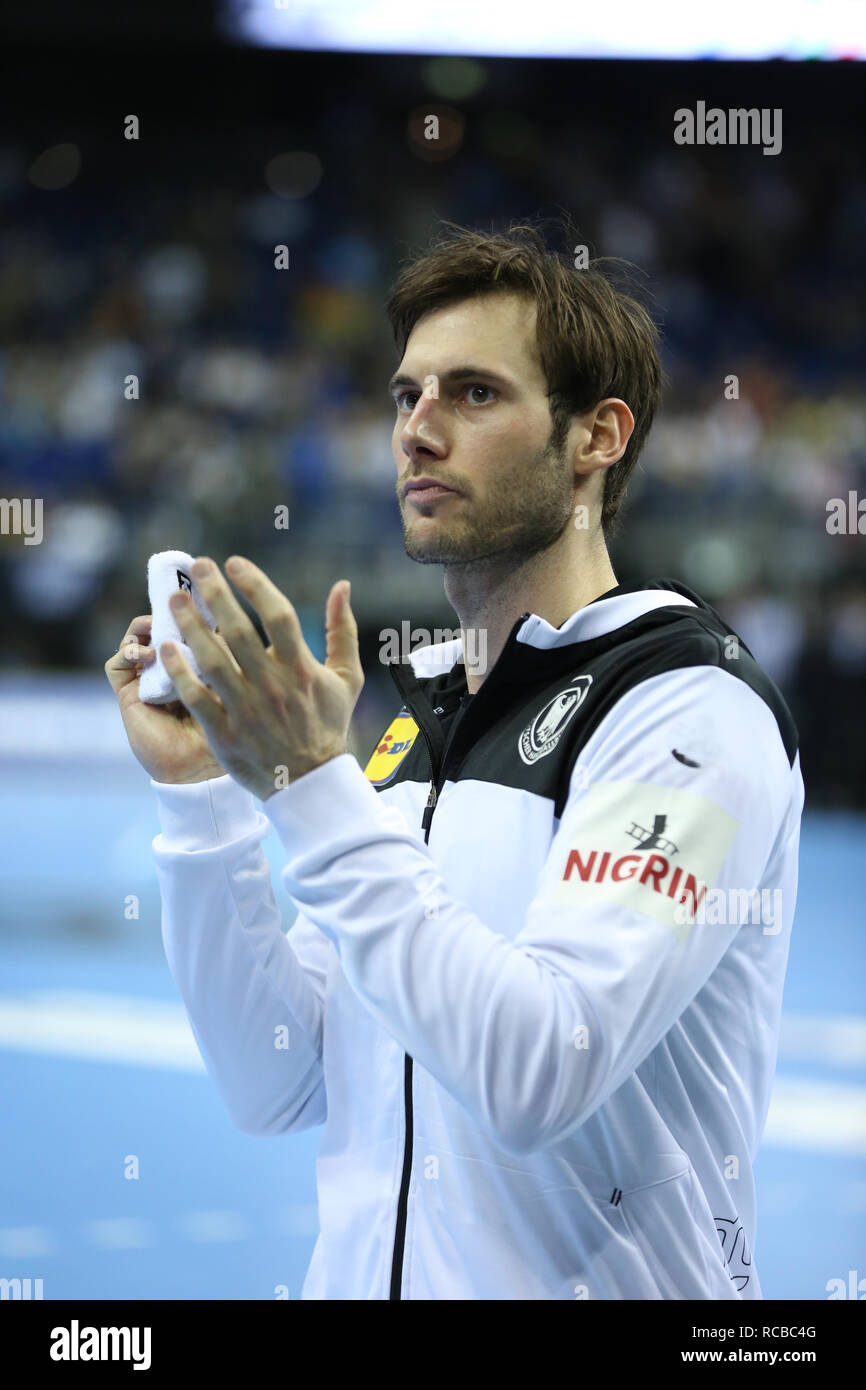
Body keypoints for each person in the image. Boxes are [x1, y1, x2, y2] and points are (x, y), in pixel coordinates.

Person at [105, 223, 803, 1300]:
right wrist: (203, 804)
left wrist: (308, 781)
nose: (416, 433)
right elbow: (277, 1078)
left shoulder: (686, 709)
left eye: (472, 394)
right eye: (403, 396)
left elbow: (539, 1069)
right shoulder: (419, 710)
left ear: (595, 438)